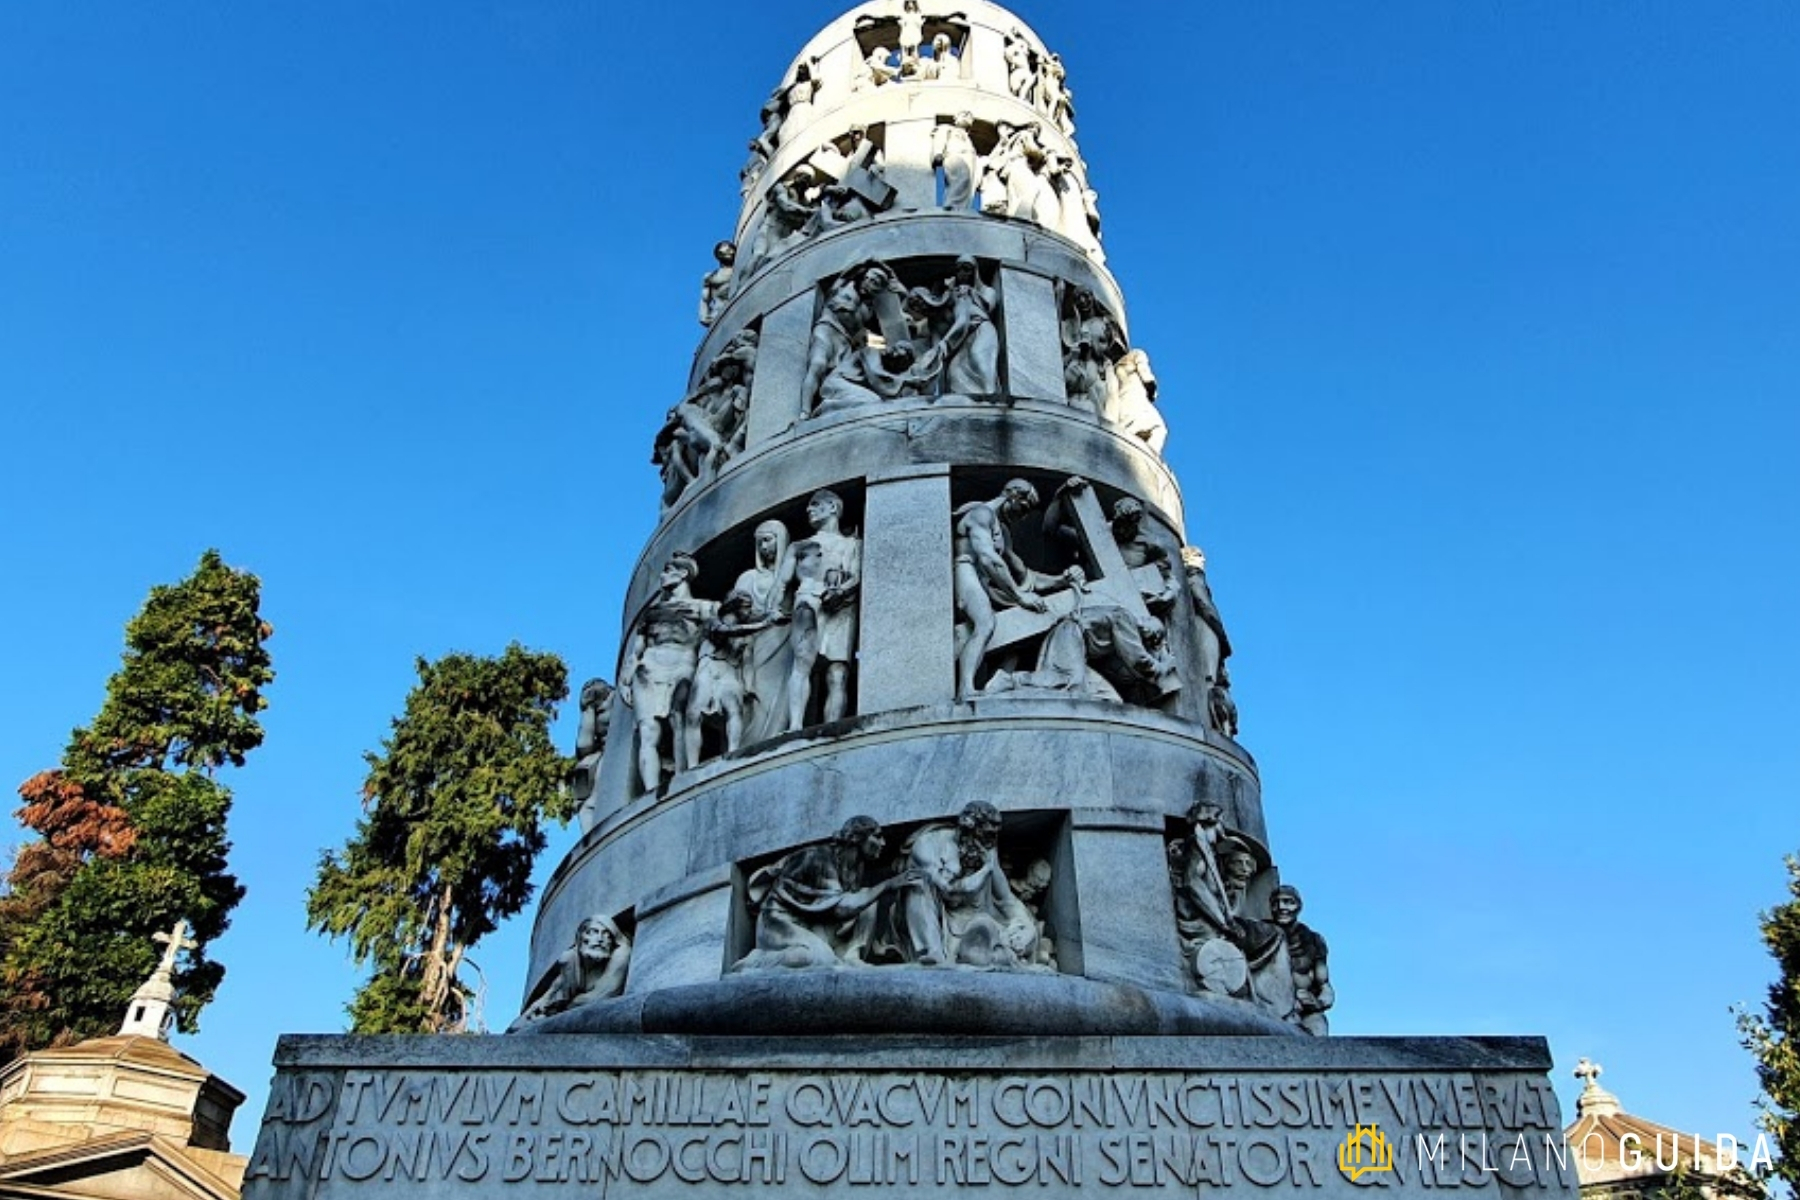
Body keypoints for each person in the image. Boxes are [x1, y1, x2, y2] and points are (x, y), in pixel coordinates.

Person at [952, 480, 1083, 700]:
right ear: (1012, 496)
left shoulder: (1002, 532)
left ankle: (1000, 684)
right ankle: (965, 689)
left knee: (1014, 637)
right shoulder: (981, 514)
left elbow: (1023, 573)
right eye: (1023, 508)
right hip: (966, 570)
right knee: (985, 623)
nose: (1022, 516)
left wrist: (1061, 580)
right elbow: (988, 559)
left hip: (984, 582)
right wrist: (1020, 596)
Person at [734, 816, 920, 970]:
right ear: (857, 838)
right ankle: (757, 961)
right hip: (777, 923)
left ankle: (852, 955)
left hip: (811, 923)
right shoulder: (818, 858)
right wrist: (888, 885)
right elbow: (841, 909)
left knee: (867, 897)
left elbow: (848, 905)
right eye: (877, 836)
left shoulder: (854, 868)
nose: (883, 843)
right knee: (818, 959)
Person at [871, 802, 1039, 967]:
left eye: (994, 835)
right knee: (919, 884)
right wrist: (985, 869)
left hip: (973, 921)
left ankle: (980, 947)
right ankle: (933, 955)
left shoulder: (987, 849)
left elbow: (1006, 899)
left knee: (990, 928)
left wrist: (1024, 926)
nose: (991, 841)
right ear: (967, 829)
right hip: (932, 921)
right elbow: (949, 891)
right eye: (987, 834)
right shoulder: (928, 845)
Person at [619, 553, 715, 793]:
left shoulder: (704, 608)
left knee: (679, 718)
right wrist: (625, 678)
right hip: (649, 668)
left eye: (667, 570)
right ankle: (652, 791)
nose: (661, 576)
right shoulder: (651, 614)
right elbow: (636, 651)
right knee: (648, 731)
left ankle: (683, 778)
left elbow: (721, 633)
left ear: (682, 574)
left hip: (683, 663)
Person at [779, 490, 861, 729]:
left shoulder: (852, 544)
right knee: (802, 663)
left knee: (838, 672)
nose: (809, 510)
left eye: (815, 505)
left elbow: (856, 575)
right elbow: (782, 582)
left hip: (842, 605)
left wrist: (841, 591)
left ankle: (831, 727)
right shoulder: (800, 546)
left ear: (833, 508)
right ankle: (795, 725)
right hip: (808, 598)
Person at [685, 589, 788, 765]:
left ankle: (733, 754)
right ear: (734, 606)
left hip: (730, 672)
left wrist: (772, 615)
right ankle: (691, 765)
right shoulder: (713, 622)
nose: (749, 611)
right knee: (694, 714)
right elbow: (726, 632)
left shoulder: (745, 630)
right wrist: (765, 623)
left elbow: (756, 620)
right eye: (746, 607)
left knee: (734, 710)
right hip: (709, 668)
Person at [733, 519, 793, 745]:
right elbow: (736, 611)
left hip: (784, 638)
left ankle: (778, 732)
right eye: (759, 543)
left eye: (768, 540)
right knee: (754, 694)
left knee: (781, 692)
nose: (763, 548)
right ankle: (749, 743)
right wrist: (763, 617)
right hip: (754, 641)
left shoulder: (791, 576)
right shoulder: (748, 578)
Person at [908, 256, 1000, 395]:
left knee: (980, 361)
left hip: (979, 331)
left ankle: (992, 399)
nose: (962, 274)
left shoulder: (959, 295)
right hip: (959, 343)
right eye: (916, 306)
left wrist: (942, 347)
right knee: (954, 373)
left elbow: (964, 321)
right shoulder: (936, 316)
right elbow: (936, 347)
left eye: (966, 269)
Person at [514, 914, 630, 1024]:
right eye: (593, 932)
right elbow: (554, 991)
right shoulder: (571, 959)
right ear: (581, 937)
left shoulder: (621, 955)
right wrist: (544, 1002)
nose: (600, 939)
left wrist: (567, 1006)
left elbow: (601, 996)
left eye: (607, 935)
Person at [1270, 885, 1334, 1035]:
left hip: (1305, 1012)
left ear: (1298, 906)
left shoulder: (1313, 940)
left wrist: (1318, 1003)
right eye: (1275, 903)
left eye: (1287, 902)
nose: (1281, 907)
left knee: (1317, 1032)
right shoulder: (1261, 934)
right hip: (1269, 1008)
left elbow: (1325, 986)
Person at [570, 678, 613, 808]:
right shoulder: (591, 706)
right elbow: (584, 744)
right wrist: (588, 710)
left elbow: (584, 744)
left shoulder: (622, 698)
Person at [697, 240, 735, 326]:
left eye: (731, 250)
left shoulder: (739, 268)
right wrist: (704, 317)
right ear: (719, 255)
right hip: (719, 313)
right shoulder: (711, 277)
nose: (731, 252)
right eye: (726, 250)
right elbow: (705, 299)